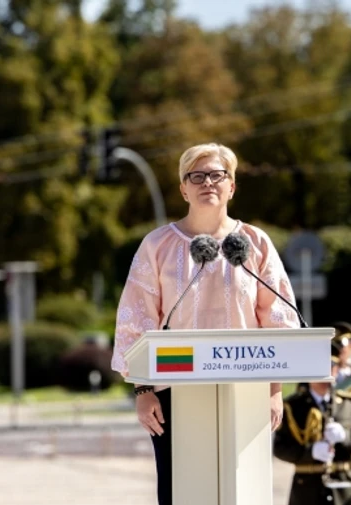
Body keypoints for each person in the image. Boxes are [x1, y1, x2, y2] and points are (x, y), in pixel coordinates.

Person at [110, 143, 301, 505]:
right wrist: (142, 390)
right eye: (196, 176)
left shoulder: (255, 243)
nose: (207, 182)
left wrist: (274, 389)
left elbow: (278, 318)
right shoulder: (158, 245)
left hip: (247, 389)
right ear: (183, 188)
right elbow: (135, 320)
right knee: (181, 493)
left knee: (243, 489)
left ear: (232, 186)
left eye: (217, 175)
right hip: (173, 391)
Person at [273, 341, 351, 505]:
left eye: (331, 367)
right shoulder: (293, 406)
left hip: (344, 489)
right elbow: (280, 448)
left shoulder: (350, 403)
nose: (325, 374)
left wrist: (345, 437)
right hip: (307, 490)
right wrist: (310, 452)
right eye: (318, 368)